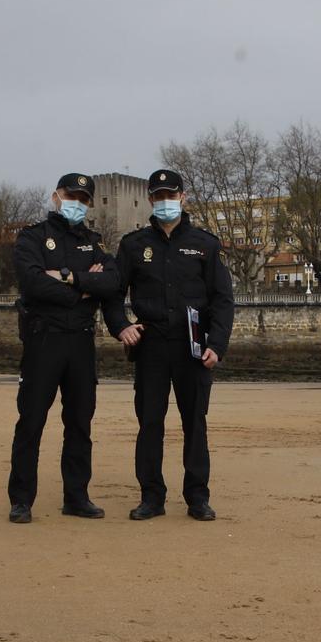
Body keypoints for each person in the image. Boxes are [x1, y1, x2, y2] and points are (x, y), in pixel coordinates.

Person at [109, 169, 235, 521]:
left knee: (195, 423)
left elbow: (223, 299)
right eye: (159, 194)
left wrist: (218, 344)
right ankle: (151, 496)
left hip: (192, 347)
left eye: (172, 194)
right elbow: (114, 294)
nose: (166, 200)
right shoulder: (133, 246)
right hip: (150, 346)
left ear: (184, 197)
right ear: (150, 199)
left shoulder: (206, 244)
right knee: (150, 422)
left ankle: (197, 497)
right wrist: (120, 326)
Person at [6, 172, 123, 523]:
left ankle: (76, 496)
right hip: (44, 340)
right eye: (72, 196)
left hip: (81, 343)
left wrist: (68, 277)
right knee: (31, 421)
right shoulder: (32, 237)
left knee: (80, 423)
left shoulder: (95, 243)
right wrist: (84, 290)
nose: (78, 203)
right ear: (56, 196)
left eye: (84, 200)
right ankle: (21, 499)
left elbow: (113, 282)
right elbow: (33, 283)